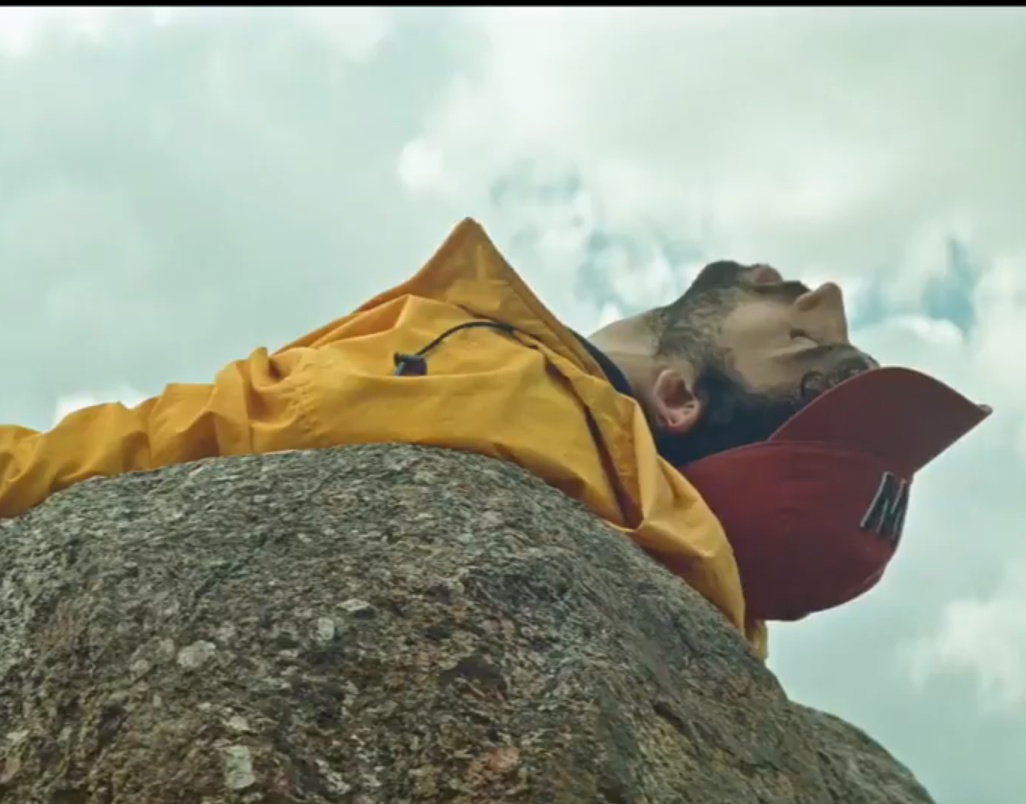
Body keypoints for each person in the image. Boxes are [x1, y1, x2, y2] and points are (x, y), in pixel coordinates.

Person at [0, 218, 990, 657]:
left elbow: (169, 440)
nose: (821, 293)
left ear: (680, 398)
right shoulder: (662, 552)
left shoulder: (513, 403)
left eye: (802, 339)